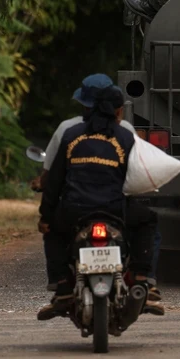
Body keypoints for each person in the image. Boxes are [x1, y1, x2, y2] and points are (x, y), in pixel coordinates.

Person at [37, 85, 161, 320]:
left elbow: (54, 181)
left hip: (75, 211)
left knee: (52, 230)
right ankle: (141, 277)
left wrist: (45, 216)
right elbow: (137, 176)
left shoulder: (71, 135)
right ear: (118, 111)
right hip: (115, 209)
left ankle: (62, 286)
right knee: (148, 220)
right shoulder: (125, 137)